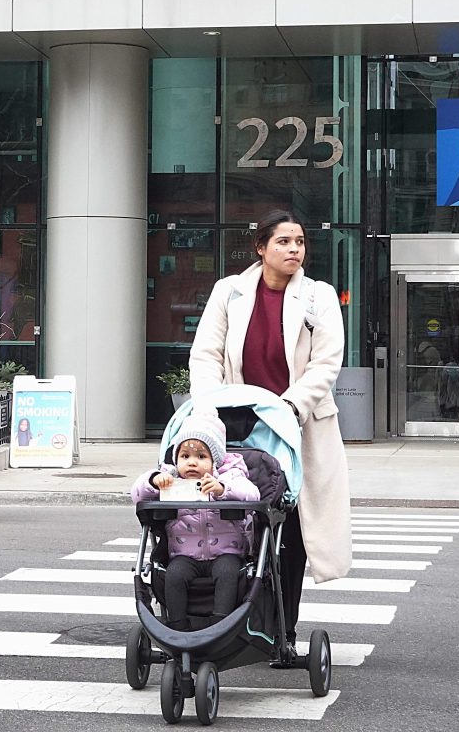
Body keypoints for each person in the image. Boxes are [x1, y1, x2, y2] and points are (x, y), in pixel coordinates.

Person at [188, 210, 351, 665]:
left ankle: (285, 634)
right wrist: (208, 406)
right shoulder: (230, 291)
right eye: (283, 241)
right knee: (237, 526)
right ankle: (224, 624)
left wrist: (289, 407)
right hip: (237, 424)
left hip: (299, 425)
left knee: (293, 533)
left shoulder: (318, 297)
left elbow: (325, 364)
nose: (294, 249)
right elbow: (205, 355)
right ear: (261, 248)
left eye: (299, 241)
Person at [130, 412, 259, 631]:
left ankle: (221, 625)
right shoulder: (170, 479)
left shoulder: (229, 477)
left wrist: (222, 489)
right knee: (174, 576)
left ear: (214, 460)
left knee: (228, 574)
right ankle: (177, 626)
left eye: (201, 457)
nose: (192, 462)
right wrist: (154, 481)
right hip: (184, 555)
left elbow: (252, 494)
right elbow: (136, 494)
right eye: (185, 456)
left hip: (226, 553)